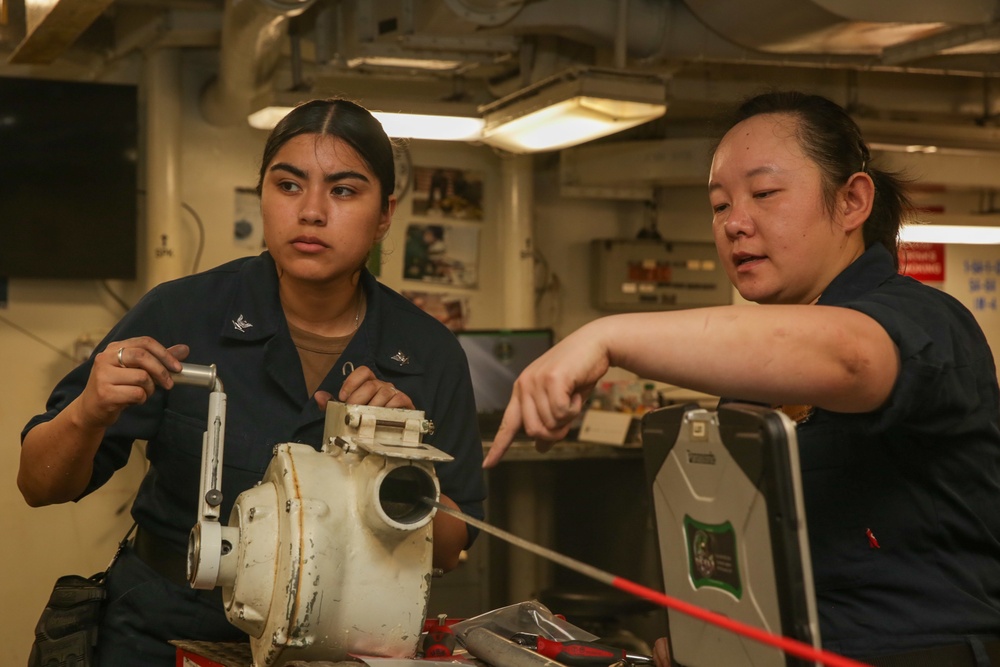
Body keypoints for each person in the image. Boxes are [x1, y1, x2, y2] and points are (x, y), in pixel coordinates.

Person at [483, 91, 1000, 665]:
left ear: (852, 201)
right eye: (719, 204)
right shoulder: (753, 369)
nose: (735, 223)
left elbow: (850, 357)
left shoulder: (925, 318)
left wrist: (607, 337)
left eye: (764, 194)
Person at [18, 98, 486, 665]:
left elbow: (453, 547)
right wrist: (87, 411)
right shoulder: (180, 314)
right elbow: (39, 485)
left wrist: (396, 463)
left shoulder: (428, 353)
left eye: (343, 190)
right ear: (262, 194)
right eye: (289, 185)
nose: (311, 211)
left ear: (384, 215)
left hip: (334, 645)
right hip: (159, 634)